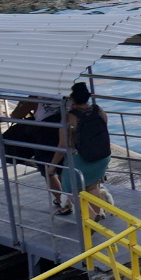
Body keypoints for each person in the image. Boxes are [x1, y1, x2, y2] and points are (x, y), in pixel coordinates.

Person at [50, 81, 114, 220]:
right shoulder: (99, 109)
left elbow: (63, 145)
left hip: (83, 158)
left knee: (70, 188)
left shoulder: (69, 117)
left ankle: (91, 217)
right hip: (102, 157)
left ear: (71, 98)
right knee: (92, 186)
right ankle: (96, 216)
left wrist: (52, 166)